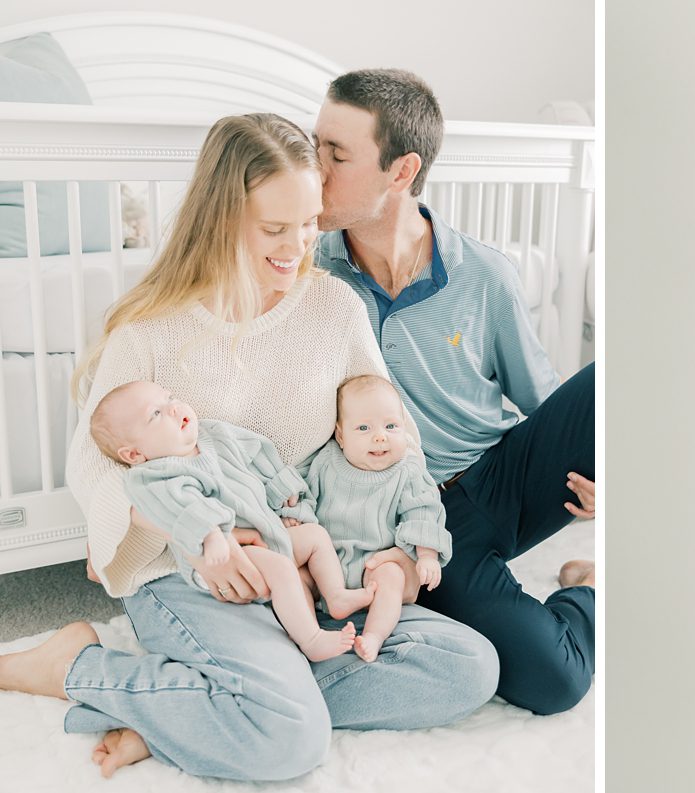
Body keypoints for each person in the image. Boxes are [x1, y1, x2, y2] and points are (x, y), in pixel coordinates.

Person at [0, 113, 498, 781]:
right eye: (274, 228)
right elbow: (93, 462)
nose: (298, 246)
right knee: (289, 743)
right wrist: (202, 533)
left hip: (307, 561)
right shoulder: (153, 327)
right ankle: (77, 666)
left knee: (470, 666)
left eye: (308, 222)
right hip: (199, 571)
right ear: (221, 217)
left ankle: (213, 705)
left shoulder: (334, 309)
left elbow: (393, 429)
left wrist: (406, 551)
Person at [312, 68, 596, 715]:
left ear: (400, 170)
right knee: (556, 681)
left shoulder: (486, 274)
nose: (314, 169)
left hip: (503, 474)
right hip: (419, 523)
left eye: (336, 154)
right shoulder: (311, 276)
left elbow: (544, 400)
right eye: (314, 145)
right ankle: (589, 587)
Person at [90, 379, 375, 661]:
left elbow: (259, 455)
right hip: (221, 556)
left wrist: (283, 490)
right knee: (280, 570)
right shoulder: (158, 476)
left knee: (315, 536)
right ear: (134, 454)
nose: (174, 408)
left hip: (267, 535)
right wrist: (212, 536)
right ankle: (311, 638)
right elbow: (183, 511)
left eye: (170, 397)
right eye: (156, 413)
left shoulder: (215, 435)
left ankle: (335, 595)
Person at [304, 374, 453, 662]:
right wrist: (294, 514)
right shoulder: (325, 462)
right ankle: (309, 635)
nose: (379, 436)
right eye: (363, 428)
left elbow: (422, 511)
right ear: (341, 436)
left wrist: (426, 556)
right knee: (297, 577)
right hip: (326, 566)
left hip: (373, 566)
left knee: (391, 578)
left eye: (391, 426)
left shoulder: (407, 471)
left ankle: (374, 635)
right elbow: (305, 498)